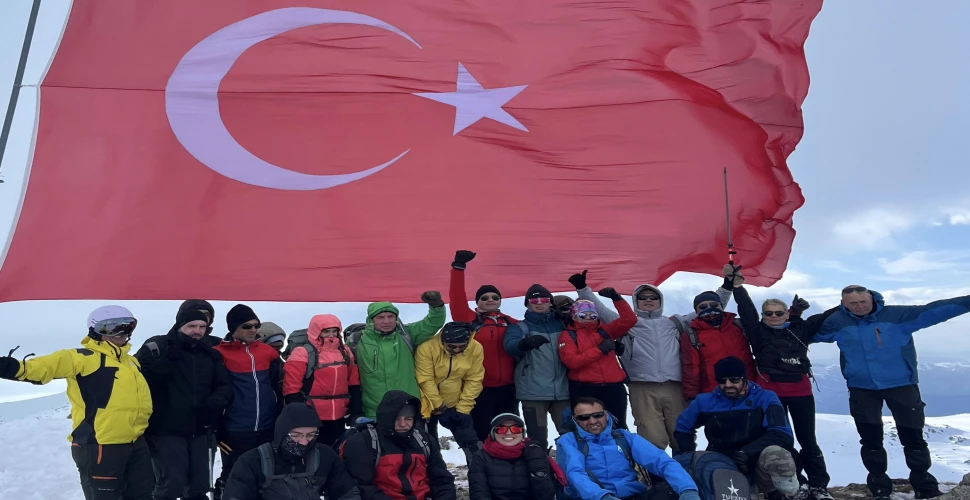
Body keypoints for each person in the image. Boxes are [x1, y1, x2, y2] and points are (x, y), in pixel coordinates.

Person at [807, 286, 970, 500]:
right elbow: (802, 334)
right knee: (870, 440)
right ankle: (879, 488)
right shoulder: (837, 321)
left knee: (913, 437)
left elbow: (936, 310)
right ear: (843, 303)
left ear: (872, 298)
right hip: (861, 388)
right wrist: (799, 318)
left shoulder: (897, 315)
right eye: (853, 303)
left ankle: (925, 487)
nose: (859, 307)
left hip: (902, 385)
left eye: (863, 301)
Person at [0, 305, 154, 500]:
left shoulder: (131, 363)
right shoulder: (81, 357)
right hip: (100, 445)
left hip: (135, 443)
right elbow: (41, 368)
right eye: (112, 328)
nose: (122, 333)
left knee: (145, 496)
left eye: (128, 327)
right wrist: (11, 367)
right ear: (96, 331)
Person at [571, 270, 731, 450]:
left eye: (653, 297)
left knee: (681, 434)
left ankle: (685, 472)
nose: (648, 300)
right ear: (636, 302)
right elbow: (601, 311)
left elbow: (709, 309)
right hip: (642, 387)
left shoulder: (675, 322)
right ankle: (657, 477)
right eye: (643, 297)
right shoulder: (626, 323)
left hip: (674, 386)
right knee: (652, 437)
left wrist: (727, 288)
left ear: (660, 301)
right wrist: (583, 289)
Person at [731, 274, 832, 500]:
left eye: (779, 312)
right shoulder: (758, 333)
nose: (774, 316)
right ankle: (795, 483)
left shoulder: (800, 330)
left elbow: (823, 317)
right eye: (769, 313)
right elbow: (746, 311)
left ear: (787, 313)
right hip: (771, 395)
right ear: (763, 316)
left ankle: (819, 486)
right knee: (780, 438)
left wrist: (847, 304)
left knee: (808, 439)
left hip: (801, 393)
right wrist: (738, 287)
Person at [136, 308, 233, 500]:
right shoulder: (160, 347)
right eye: (191, 326)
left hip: (202, 429)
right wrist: (169, 360)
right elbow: (143, 384)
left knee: (199, 485)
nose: (197, 331)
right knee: (171, 484)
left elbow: (225, 386)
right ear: (179, 325)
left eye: (202, 327)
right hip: (166, 430)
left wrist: (214, 403)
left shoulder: (210, 354)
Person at [674, 357, 798, 500]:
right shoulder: (704, 402)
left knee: (778, 455)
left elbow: (782, 433)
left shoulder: (765, 398)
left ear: (744, 379)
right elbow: (682, 427)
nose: (727, 385)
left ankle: (786, 495)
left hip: (757, 464)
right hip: (721, 464)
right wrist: (687, 455)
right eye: (722, 380)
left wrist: (747, 452)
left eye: (734, 380)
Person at [557, 397, 699, 500]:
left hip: (633, 495)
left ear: (606, 415)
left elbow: (661, 461)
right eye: (584, 417)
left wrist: (688, 489)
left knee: (673, 490)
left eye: (598, 415)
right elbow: (575, 474)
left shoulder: (624, 437)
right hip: (593, 497)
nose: (593, 421)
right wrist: (602, 496)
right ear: (575, 420)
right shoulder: (569, 442)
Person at [213, 304, 284, 500]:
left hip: (267, 426)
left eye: (256, 325)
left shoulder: (268, 353)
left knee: (266, 475)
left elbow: (280, 387)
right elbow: (212, 393)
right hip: (235, 428)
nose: (253, 330)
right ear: (233, 328)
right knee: (235, 475)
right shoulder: (218, 353)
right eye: (247, 326)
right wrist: (217, 428)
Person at [449, 250, 521, 442]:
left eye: (494, 297)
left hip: (508, 388)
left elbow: (534, 325)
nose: (490, 300)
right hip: (477, 388)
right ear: (478, 301)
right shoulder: (469, 319)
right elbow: (456, 298)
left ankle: (509, 469)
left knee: (508, 433)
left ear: (500, 301)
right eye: (484, 298)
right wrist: (458, 268)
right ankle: (482, 469)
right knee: (481, 434)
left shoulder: (511, 323)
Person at [222, 403, 362, 500]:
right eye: (296, 435)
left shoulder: (325, 456)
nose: (304, 442)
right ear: (282, 432)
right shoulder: (253, 460)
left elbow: (347, 493)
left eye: (311, 435)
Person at [341, 390, 456, 500]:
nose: (402, 424)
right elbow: (362, 488)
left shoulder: (424, 441)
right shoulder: (363, 442)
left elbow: (441, 480)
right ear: (386, 418)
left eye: (408, 418)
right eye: (396, 419)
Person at [356, 293, 446, 418]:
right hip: (374, 412)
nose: (386, 321)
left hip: (409, 407)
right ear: (371, 320)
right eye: (381, 317)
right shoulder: (358, 341)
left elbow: (432, 324)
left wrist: (436, 306)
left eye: (391, 316)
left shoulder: (407, 334)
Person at [557, 286, 636, 428]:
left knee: (619, 427)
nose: (588, 319)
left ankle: (621, 450)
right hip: (585, 389)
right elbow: (572, 362)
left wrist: (616, 298)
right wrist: (599, 350)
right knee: (589, 428)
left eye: (592, 315)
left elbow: (629, 320)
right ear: (574, 316)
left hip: (613, 387)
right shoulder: (568, 335)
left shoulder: (605, 330)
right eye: (582, 315)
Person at [503, 284, 570, 449]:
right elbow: (509, 346)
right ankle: (540, 472)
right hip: (533, 392)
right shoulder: (519, 328)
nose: (539, 302)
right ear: (527, 304)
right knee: (537, 440)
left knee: (570, 437)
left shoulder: (563, 325)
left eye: (544, 299)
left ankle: (569, 472)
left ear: (550, 303)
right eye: (534, 300)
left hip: (563, 391)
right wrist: (525, 343)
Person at [282, 314, 363, 447]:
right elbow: (291, 388)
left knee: (336, 449)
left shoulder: (345, 351)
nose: (331, 335)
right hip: (311, 414)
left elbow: (353, 381)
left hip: (339, 414)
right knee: (311, 450)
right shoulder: (302, 352)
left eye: (334, 331)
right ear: (316, 332)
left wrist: (356, 410)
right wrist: (298, 415)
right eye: (326, 332)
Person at [680, 265, 756, 402]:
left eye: (714, 305)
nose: (709, 309)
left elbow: (749, 313)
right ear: (696, 312)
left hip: (749, 391)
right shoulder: (691, 334)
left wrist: (736, 286)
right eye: (703, 307)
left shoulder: (737, 325)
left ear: (721, 306)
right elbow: (691, 367)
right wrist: (691, 396)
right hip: (715, 395)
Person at [415, 321, 485, 460]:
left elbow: (474, 378)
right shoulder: (427, 348)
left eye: (462, 347)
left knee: (470, 441)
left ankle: (478, 473)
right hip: (427, 402)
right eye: (452, 346)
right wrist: (438, 405)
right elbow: (425, 379)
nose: (457, 350)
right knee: (429, 443)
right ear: (443, 341)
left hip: (455, 401)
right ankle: (434, 476)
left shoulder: (475, 348)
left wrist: (463, 408)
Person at [468, 413, 566, 500]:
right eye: (501, 429)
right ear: (493, 434)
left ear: (522, 433)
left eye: (516, 429)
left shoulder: (535, 453)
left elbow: (546, 495)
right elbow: (479, 492)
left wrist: (538, 466)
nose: (509, 433)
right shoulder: (481, 457)